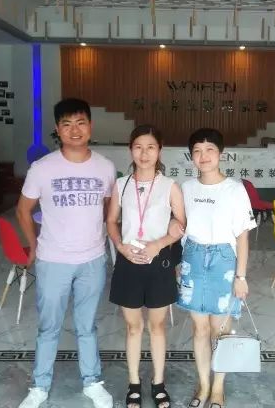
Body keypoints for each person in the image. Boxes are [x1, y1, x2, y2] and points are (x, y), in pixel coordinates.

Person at [16, 98, 114, 408]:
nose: (74, 130)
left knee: (87, 326)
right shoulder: (42, 168)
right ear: (57, 129)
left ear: (90, 126)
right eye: (67, 124)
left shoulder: (105, 167)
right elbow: (23, 210)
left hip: (92, 260)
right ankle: (39, 386)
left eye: (80, 123)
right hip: (53, 261)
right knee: (49, 327)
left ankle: (92, 382)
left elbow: (109, 210)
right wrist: (34, 245)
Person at [175, 128, 256, 408]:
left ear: (221, 154)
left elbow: (242, 235)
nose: (203, 156)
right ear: (191, 156)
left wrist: (241, 276)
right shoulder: (186, 188)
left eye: (210, 150)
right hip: (193, 258)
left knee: (220, 330)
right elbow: (180, 227)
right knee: (199, 329)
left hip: (224, 261)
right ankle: (204, 384)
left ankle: (218, 387)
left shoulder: (234, 189)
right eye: (197, 151)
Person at [106, 124, 186, 408]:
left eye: (150, 147)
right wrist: (120, 246)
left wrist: (158, 243)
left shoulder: (170, 186)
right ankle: (134, 384)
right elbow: (111, 221)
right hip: (128, 263)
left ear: (159, 151)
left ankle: (158, 383)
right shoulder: (121, 185)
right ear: (131, 150)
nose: (144, 153)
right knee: (132, 327)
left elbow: (181, 224)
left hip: (158, 263)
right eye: (138, 147)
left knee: (158, 326)